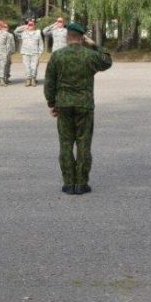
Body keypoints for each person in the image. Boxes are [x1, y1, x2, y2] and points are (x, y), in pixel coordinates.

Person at [43, 22, 113, 195]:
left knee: (66, 144)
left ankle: (68, 183)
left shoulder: (57, 56)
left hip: (64, 105)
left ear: (67, 37)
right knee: (83, 143)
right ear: (82, 38)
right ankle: (81, 183)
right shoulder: (89, 55)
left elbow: (49, 83)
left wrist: (52, 103)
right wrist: (94, 44)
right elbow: (107, 61)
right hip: (84, 105)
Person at [14, 20, 44, 86]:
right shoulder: (23, 33)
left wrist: (40, 53)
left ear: (34, 26)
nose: (30, 26)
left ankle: (33, 80)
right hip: (25, 53)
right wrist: (24, 26)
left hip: (35, 53)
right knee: (27, 67)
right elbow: (15, 31)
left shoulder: (38, 33)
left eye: (31, 25)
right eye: (29, 25)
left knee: (34, 67)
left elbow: (41, 44)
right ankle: (28, 80)